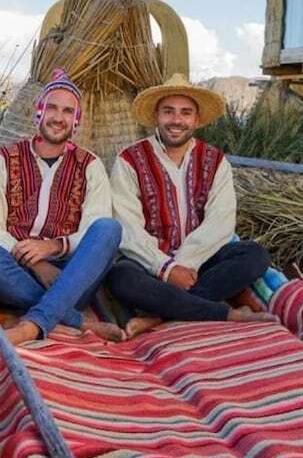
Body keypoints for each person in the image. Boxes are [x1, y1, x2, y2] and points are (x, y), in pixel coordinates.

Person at [106, 73, 278, 337]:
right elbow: (127, 227)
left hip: (199, 263)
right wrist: (166, 268)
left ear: (196, 120)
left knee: (255, 256)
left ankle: (159, 317)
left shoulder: (215, 161)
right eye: (168, 111)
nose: (177, 120)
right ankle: (225, 314)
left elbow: (220, 222)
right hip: (149, 263)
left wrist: (185, 264)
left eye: (185, 113)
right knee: (121, 277)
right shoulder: (129, 160)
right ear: (156, 116)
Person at [0, 69, 123, 345]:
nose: (58, 117)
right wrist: (37, 263)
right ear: (39, 112)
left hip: (72, 273)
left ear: (75, 121)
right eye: (52, 107)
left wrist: (54, 247)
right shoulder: (2, 160)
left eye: (67, 111)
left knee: (109, 228)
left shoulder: (90, 165)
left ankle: (31, 326)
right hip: (18, 270)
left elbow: (93, 229)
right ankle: (76, 321)